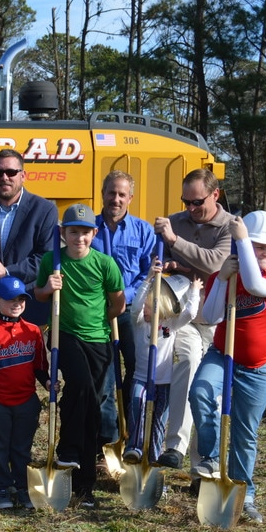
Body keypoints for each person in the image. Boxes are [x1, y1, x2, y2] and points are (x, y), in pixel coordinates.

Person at [189, 211, 266, 524]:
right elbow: (212, 315)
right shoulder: (225, 276)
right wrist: (223, 281)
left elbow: (256, 287)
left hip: (258, 367)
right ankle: (211, 456)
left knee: (245, 433)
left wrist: (242, 240)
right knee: (201, 391)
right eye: (260, 247)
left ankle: (246, 494)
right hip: (222, 355)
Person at [34, 204, 125, 508]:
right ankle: (68, 450)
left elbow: (117, 305)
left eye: (85, 232)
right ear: (64, 233)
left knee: (92, 409)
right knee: (82, 387)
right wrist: (48, 287)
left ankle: (84, 484)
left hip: (98, 340)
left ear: (94, 233)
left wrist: (99, 321)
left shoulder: (105, 264)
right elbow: (38, 294)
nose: (80, 238)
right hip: (65, 336)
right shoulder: (52, 260)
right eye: (74, 231)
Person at [152, 168, 232, 471]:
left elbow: (215, 264)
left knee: (208, 392)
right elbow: (156, 260)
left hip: (217, 319)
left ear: (215, 194)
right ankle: (175, 446)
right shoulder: (175, 221)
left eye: (196, 202)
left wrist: (176, 243)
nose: (190, 208)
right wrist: (167, 262)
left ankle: (204, 466)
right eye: (185, 201)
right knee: (185, 363)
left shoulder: (230, 227)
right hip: (184, 316)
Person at [0, 275, 50, 511]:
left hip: (26, 401)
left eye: (21, 299)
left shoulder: (34, 331)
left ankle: (22, 486)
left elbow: (39, 366)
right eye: (10, 300)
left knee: (21, 447)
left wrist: (47, 382)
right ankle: (2, 487)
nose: (16, 304)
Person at [0, 149, 59, 327]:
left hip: (27, 305)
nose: (4, 177)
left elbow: (45, 259)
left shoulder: (44, 210)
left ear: (23, 175)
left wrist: (7, 272)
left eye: (11, 172)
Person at [121, 263, 202, 465]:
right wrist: (148, 279)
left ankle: (154, 458)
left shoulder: (170, 326)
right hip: (141, 378)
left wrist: (194, 292)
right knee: (137, 405)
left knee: (158, 420)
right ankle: (134, 447)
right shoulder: (140, 323)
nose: (146, 310)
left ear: (163, 306)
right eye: (147, 306)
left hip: (163, 382)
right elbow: (136, 306)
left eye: (150, 306)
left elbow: (190, 313)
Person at [92, 170, 155, 417]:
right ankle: (108, 434)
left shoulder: (143, 231)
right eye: (111, 193)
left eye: (122, 194)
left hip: (131, 311)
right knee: (103, 374)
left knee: (136, 369)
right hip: (97, 313)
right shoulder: (89, 230)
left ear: (130, 198)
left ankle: (130, 427)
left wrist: (123, 296)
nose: (115, 199)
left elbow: (147, 275)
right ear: (103, 194)